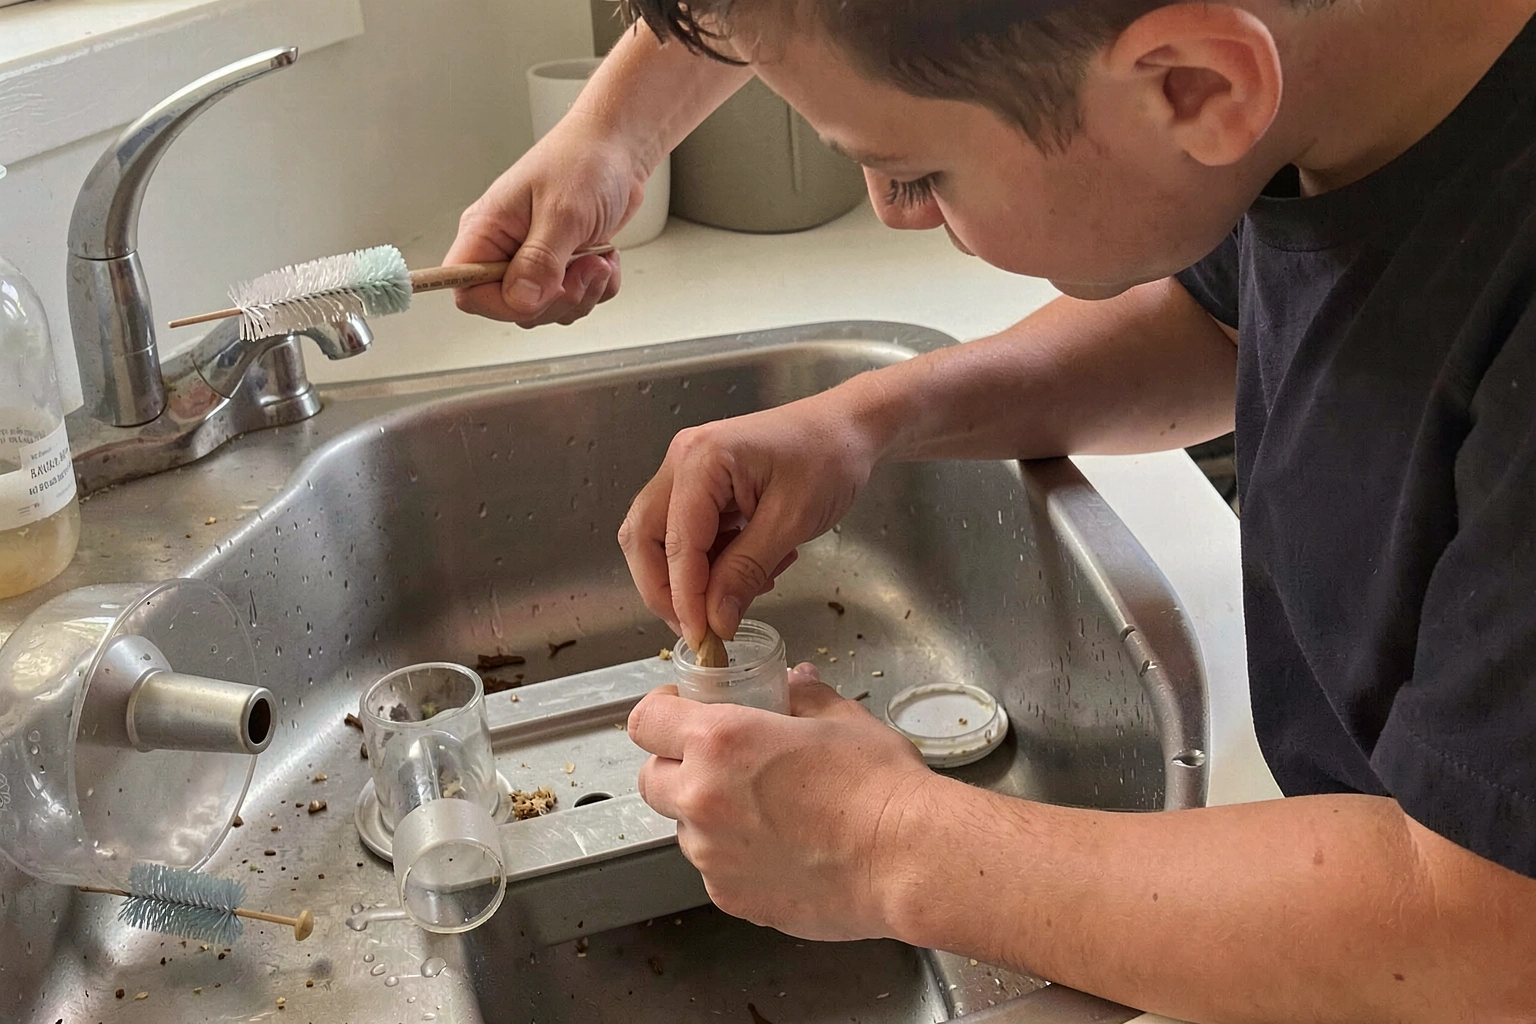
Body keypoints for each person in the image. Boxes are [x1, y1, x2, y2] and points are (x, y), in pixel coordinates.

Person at [445, 1, 1536, 1019]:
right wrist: (868, 421)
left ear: (1197, 87)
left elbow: (1491, 930)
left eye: (919, 175)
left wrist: (885, 842)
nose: (891, 211)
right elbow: (1227, 321)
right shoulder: (1337, 92)